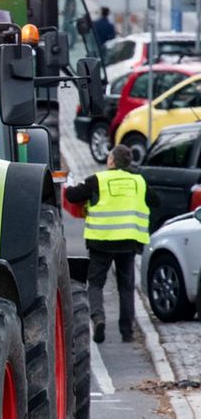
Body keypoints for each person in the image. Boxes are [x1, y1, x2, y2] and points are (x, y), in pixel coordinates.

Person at [64, 144, 156, 343]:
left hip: (101, 241)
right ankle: (127, 331)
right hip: (128, 243)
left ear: (112, 161)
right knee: (126, 286)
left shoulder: (98, 180)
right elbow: (155, 200)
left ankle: (98, 318)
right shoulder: (138, 181)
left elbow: (71, 196)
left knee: (95, 283)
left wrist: (71, 185)